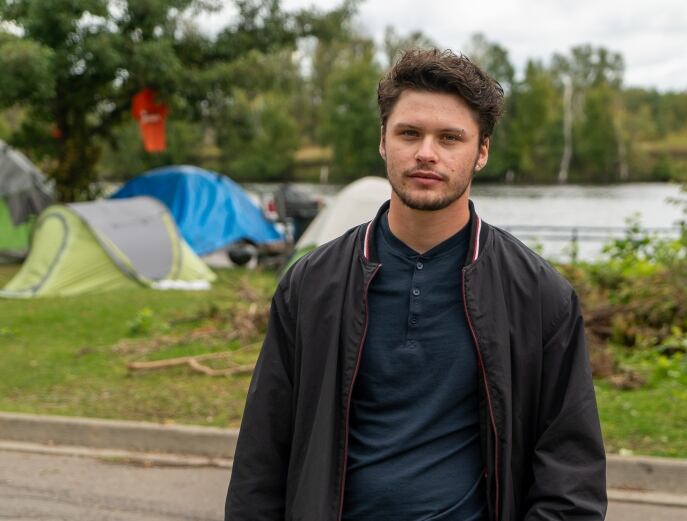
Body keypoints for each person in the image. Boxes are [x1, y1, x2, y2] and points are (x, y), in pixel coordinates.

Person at [225, 48, 607, 521]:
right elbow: (262, 459)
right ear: (384, 141)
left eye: (450, 138)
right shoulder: (311, 284)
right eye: (410, 133)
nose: (427, 152)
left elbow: (571, 479)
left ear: (482, 151)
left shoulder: (541, 296)